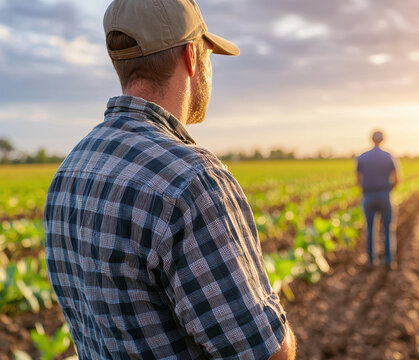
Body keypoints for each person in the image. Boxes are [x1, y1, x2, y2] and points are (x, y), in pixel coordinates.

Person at [43, 1, 296, 358]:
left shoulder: (70, 171)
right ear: (192, 56)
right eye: (208, 53)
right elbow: (266, 353)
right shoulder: (191, 181)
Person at [356, 130, 399, 267]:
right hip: (385, 195)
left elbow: (358, 179)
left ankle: (371, 260)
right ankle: (389, 260)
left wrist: (365, 190)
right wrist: (388, 189)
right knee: (388, 229)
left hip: (368, 195)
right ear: (383, 140)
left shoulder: (362, 157)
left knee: (370, 229)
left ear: (371, 140)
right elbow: (397, 178)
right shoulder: (389, 156)